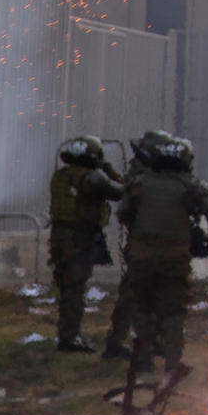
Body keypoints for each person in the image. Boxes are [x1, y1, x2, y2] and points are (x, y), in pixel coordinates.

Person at [115, 130, 208, 380]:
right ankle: (172, 366)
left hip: (141, 256)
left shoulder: (139, 183)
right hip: (175, 257)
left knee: (143, 308)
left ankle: (142, 365)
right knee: (173, 312)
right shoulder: (190, 186)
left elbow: (124, 214)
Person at [46, 138, 123, 352]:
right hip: (79, 238)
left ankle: (67, 335)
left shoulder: (61, 176)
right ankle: (69, 338)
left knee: (68, 288)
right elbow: (119, 192)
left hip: (60, 236)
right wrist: (109, 170)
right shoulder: (91, 178)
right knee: (74, 289)